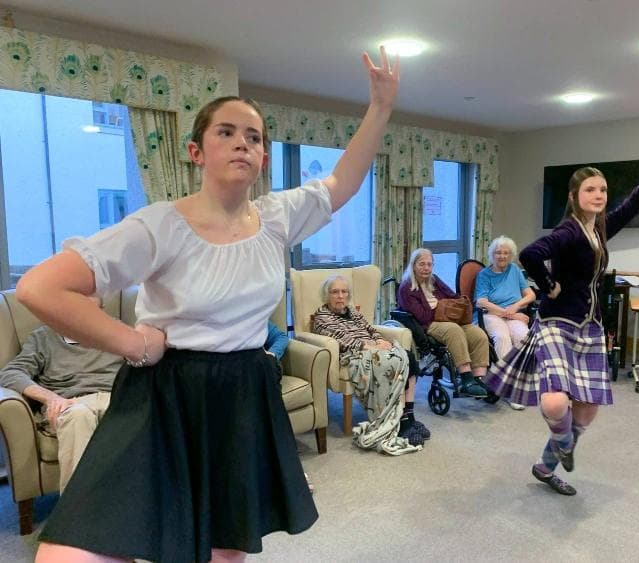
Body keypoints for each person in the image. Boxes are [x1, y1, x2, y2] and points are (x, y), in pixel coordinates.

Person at [18, 47, 399, 563]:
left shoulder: (278, 218)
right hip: (162, 394)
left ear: (263, 158)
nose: (243, 142)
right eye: (226, 132)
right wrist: (132, 341)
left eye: (254, 137)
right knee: (74, 552)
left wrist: (379, 109)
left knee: (224, 551)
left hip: (241, 390)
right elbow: (40, 288)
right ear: (196, 152)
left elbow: (344, 182)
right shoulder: (159, 225)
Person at [485, 140, 639, 496]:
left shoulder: (598, 230)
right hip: (558, 325)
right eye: (590, 189)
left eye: (602, 189)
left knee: (587, 411)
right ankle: (563, 442)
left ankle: (546, 466)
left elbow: (633, 206)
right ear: (574, 195)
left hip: (591, 326)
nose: (598, 195)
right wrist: (549, 285)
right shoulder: (568, 230)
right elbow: (532, 253)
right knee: (555, 403)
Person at [0, 299, 122, 492]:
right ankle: (78, 512)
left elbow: (144, 365)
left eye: (94, 310)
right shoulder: (44, 338)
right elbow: (10, 373)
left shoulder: (118, 332)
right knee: (78, 415)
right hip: (70, 403)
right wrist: (51, 399)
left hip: (114, 399)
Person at [312, 275, 425, 453]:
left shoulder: (353, 312)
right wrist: (371, 346)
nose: (340, 296)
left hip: (375, 349)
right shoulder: (322, 318)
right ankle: (398, 421)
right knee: (396, 362)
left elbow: (371, 329)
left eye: (344, 292)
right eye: (335, 292)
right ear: (327, 295)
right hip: (355, 355)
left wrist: (380, 341)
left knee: (409, 357)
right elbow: (341, 340)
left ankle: (407, 415)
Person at [397, 248, 490, 398]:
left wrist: (450, 305)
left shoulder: (434, 279)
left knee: (477, 333)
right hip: (429, 325)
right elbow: (422, 317)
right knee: (454, 330)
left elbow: (453, 296)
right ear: (413, 265)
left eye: (429, 264)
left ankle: (478, 379)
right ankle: (466, 377)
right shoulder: (406, 288)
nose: (426, 268)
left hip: (448, 319)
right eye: (422, 264)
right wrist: (442, 306)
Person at [474, 236, 536, 411]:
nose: (502, 256)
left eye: (506, 253)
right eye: (498, 252)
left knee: (524, 337)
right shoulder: (484, 275)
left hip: (512, 314)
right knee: (502, 338)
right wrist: (512, 315)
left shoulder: (515, 270)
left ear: (511, 255)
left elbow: (530, 295)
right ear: (492, 254)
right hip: (491, 314)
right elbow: (481, 302)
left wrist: (516, 307)